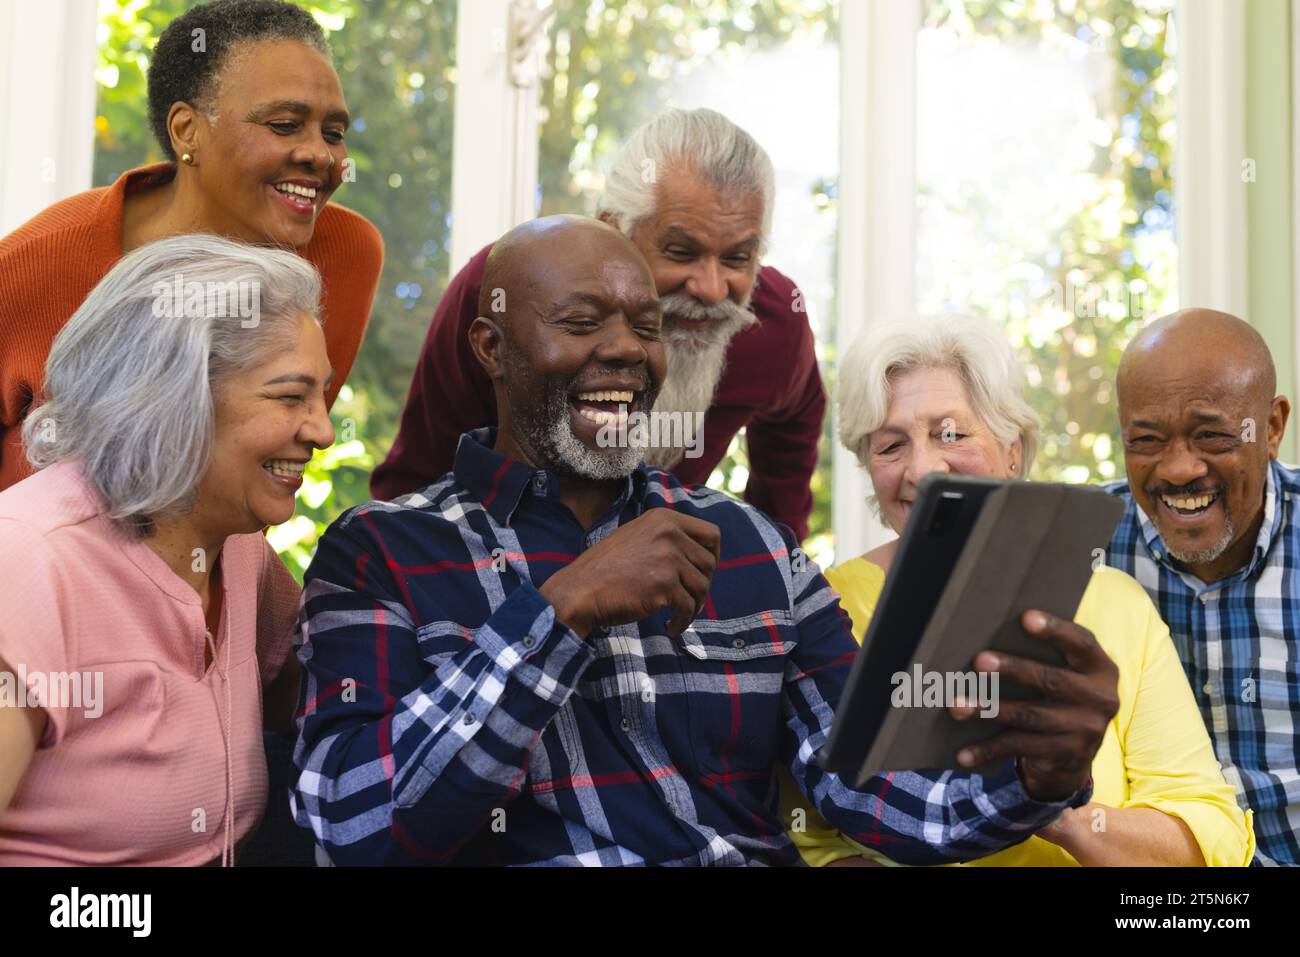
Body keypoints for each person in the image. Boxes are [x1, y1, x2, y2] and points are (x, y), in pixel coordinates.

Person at [290, 216, 1117, 867]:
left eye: (644, 326)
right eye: (582, 321)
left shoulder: (753, 546)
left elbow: (872, 786)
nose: (623, 349)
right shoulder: (382, 553)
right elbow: (355, 828)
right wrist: (560, 610)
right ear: (492, 348)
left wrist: (1035, 776)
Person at [781, 314, 1253, 867]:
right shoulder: (824, 611)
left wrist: (1049, 804)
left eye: (949, 433)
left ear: (1012, 448)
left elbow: (1207, 840)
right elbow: (811, 840)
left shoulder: (1113, 601)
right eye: (890, 446)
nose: (922, 468)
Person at [0, 234, 332, 865]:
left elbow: (340, 696)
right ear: (174, 399)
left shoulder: (239, 555)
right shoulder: (27, 564)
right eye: (291, 397)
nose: (320, 429)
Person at [371, 108, 824, 540]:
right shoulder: (499, 288)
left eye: (737, 258)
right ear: (613, 228)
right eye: (681, 252)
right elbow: (418, 480)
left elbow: (785, 488)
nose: (711, 288)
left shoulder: (776, 323)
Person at [0, 0, 382, 492]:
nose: (320, 155)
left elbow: (270, 461)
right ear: (187, 130)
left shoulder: (346, 253)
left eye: (334, 133)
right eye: (284, 125)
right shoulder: (34, 262)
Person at [1104, 308, 1299, 866]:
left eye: (1211, 435)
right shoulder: (1079, 550)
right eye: (1146, 439)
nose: (1179, 469)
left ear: (1273, 427)